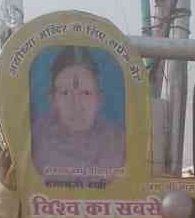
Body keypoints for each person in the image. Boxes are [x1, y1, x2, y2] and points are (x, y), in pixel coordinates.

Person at [31, 48, 125, 183]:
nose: (76, 104)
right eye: (65, 93)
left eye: (86, 93)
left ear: (99, 99)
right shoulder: (35, 140)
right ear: (52, 100)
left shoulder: (117, 142)